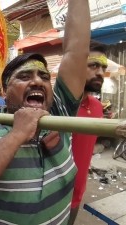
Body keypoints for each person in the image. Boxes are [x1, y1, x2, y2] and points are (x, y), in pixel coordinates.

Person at [0, 0, 90, 224]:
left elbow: (76, 51)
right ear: (4, 90)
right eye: (24, 76)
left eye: (43, 76)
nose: (37, 81)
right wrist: (17, 135)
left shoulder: (61, 116)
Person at [68, 44, 107, 225]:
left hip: (78, 191)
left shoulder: (98, 107)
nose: (100, 72)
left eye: (103, 67)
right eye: (94, 65)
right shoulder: (59, 105)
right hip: (51, 193)